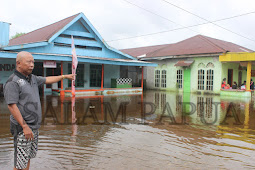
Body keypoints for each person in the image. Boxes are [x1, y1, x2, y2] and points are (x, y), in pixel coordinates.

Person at [4, 51, 75, 170]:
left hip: (33, 126)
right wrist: (24, 126)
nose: (32, 65)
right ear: (19, 63)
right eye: (28, 62)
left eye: (33, 62)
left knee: (28, 157)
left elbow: (48, 79)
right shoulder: (13, 82)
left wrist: (64, 76)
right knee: (20, 162)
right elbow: (12, 106)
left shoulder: (32, 78)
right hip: (22, 128)